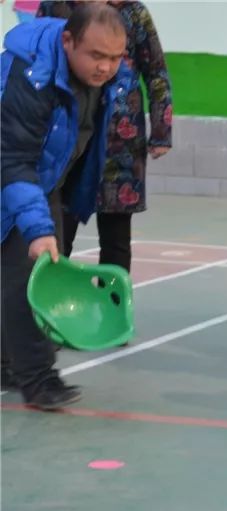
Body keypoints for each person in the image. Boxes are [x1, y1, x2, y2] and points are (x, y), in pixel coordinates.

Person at [1, 4, 128, 408]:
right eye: (97, 56)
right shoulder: (32, 77)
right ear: (68, 41)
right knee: (25, 273)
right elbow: (13, 156)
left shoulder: (98, 74)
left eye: (115, 57)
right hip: (15, 170)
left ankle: (9, 363)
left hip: (40, 176)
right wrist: (38, 228)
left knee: (27, 270)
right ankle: (39, 381)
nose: (106, 67)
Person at [38, 0, 172, 273]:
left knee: (116, 238)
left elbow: (156, 71)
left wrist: (162, 130)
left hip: (120, 141)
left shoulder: (134, 12)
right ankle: (51, 306)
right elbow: (39, 58)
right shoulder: (55, 6)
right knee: (59, 230)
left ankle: (113, 308)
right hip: (68, 136)